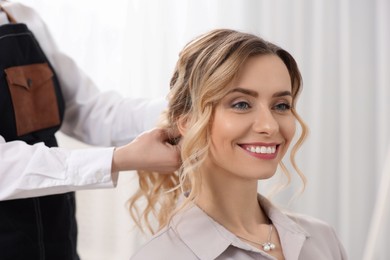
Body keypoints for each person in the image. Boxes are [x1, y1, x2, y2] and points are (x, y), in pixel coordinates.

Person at [129, 29, 348, 259]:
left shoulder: (323, 239)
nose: (270, 126)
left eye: (281, 105)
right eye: (242, 104)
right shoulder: (161, 256)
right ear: (187, 122)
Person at [0, 1, 179, 260]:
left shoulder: (22, 16)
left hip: (55, 231)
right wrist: (119, 159)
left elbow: (86, 109)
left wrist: (178, 111)